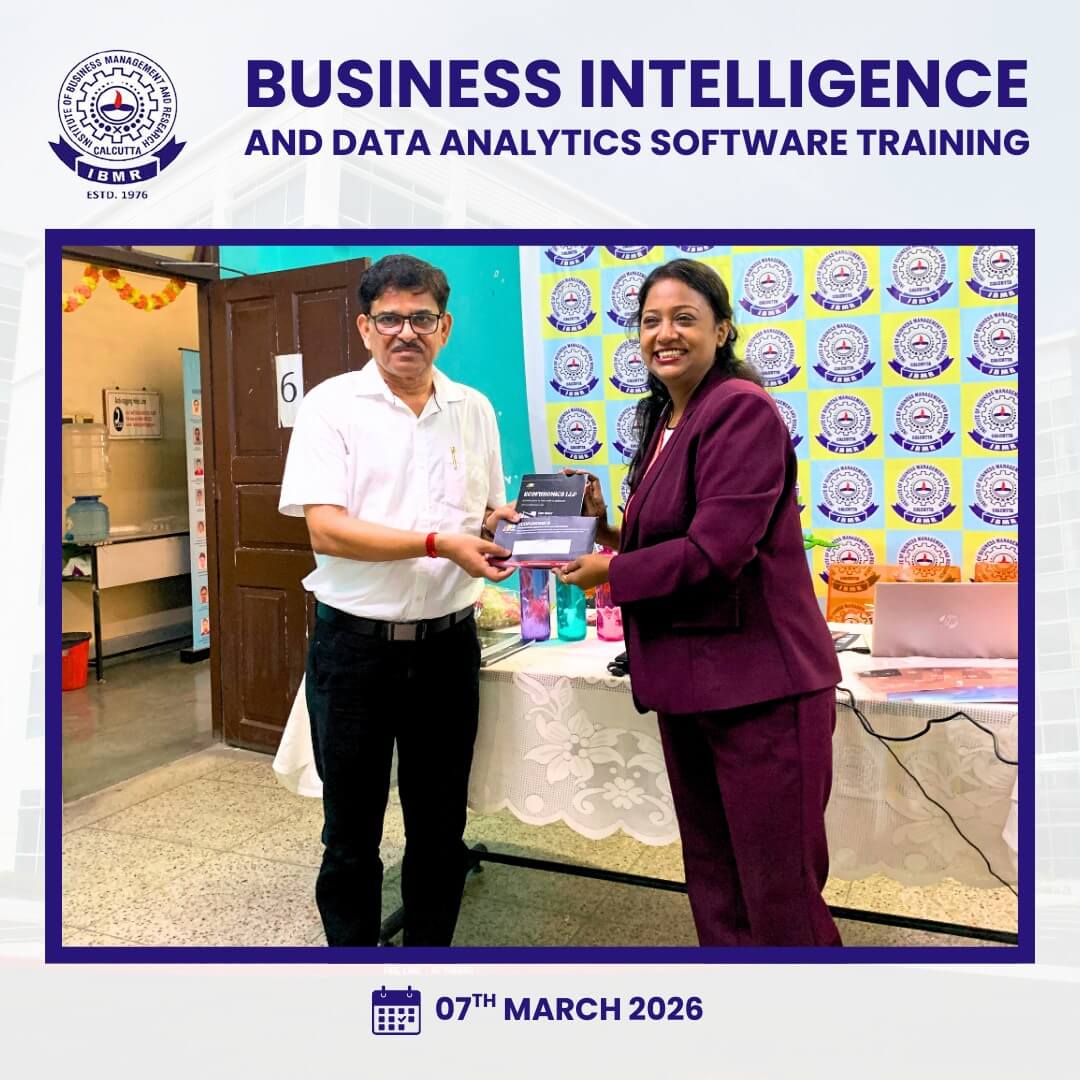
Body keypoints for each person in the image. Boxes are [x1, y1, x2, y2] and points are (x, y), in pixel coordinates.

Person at [559, 259, 842, 947]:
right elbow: (676, 536)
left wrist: (609, 571)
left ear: (722, 329)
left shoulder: (739, 408)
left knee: (778, 891)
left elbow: (717, 551)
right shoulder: (665, 419)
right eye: (650, 321)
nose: (665, 334)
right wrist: (603, 532)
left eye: (684, 318)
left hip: (760, 689)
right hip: (691, 685)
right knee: (715, 879)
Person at [279, 254, 518, 947]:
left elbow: (485, 510)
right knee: (350, 834)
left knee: (440, 829)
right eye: (389, 319)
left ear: (445, 326)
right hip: (354, 652)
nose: (405, 332)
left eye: (421, 318)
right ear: (365, 328)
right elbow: (326, 530)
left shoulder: (473, 409)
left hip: (448, 648)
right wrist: (440, 543)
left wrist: (505, 524)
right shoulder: (330, 407)